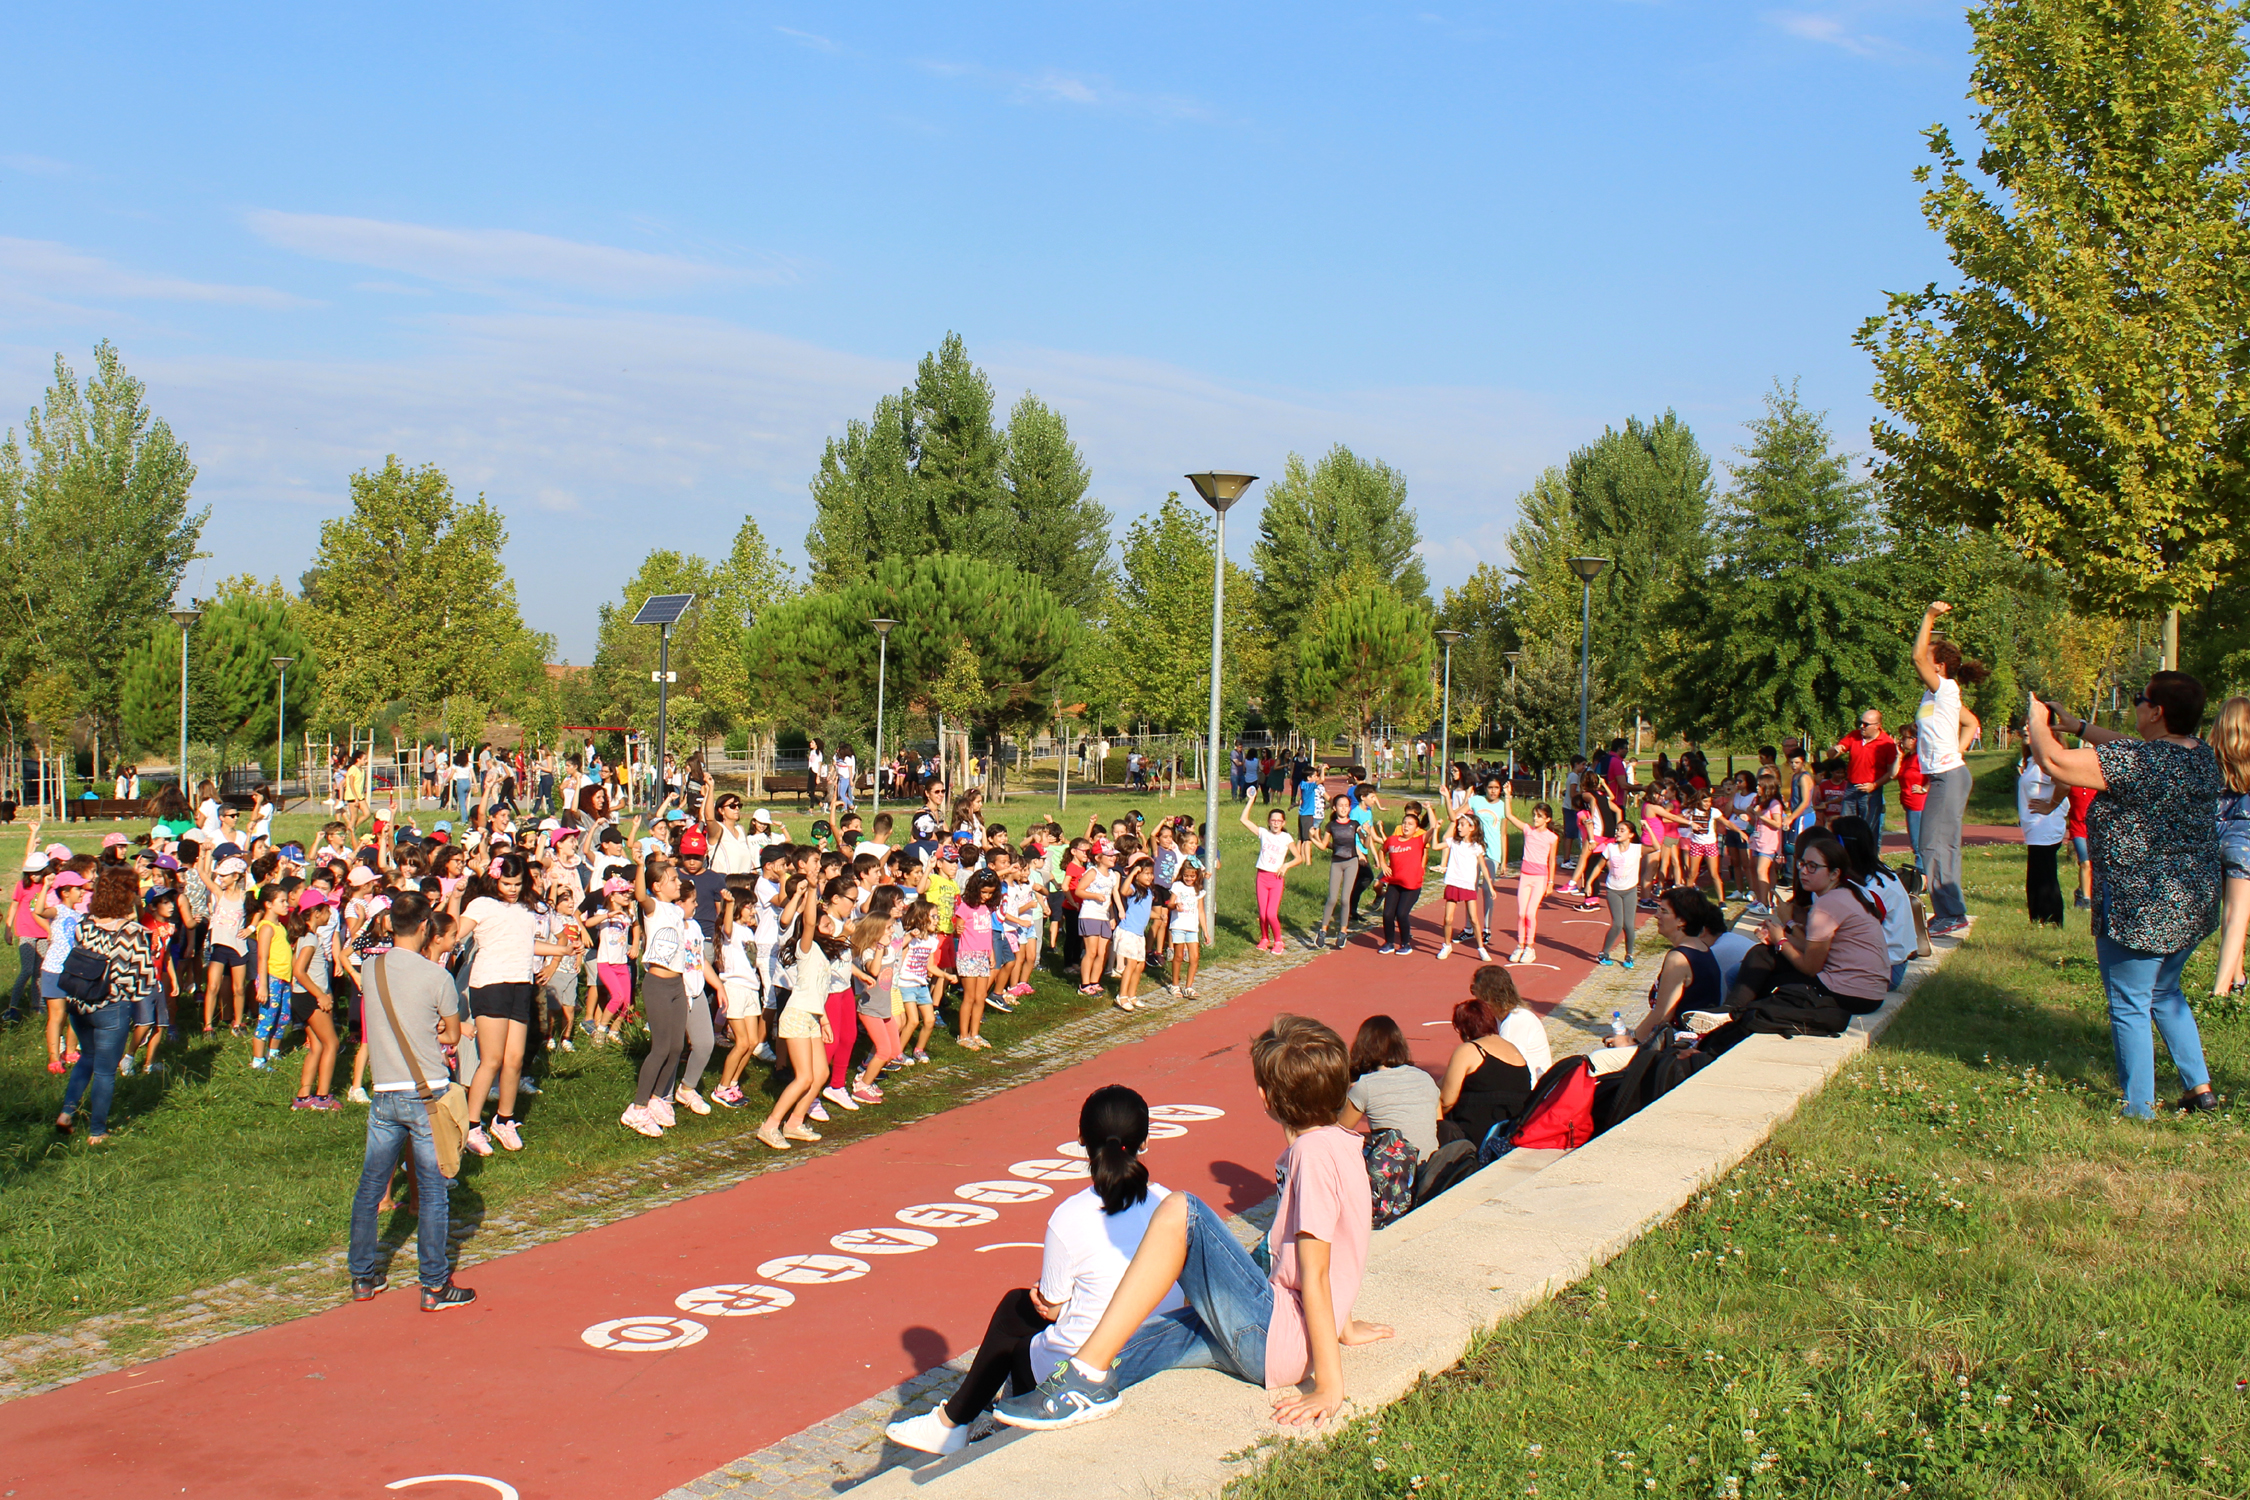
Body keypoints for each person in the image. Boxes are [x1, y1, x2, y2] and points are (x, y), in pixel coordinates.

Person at [995, 1015, 1392, 1431]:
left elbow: (1317, 1271)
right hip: (1285, 1337)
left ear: (1266, 1098)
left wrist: (1330, 1385)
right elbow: (1343, 1243)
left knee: (1183, 1211)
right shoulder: (1344, 1144)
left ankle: (1081, 1382)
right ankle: (1056, 1392)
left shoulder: (1310, 1155)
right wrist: (1344, 1324)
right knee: (1138, 1344)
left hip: (1276, 1337)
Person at [885, 1086, 1189, 1455]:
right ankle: (958, 1422)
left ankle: (955, 1422)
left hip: (1084, 1370)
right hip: (1158, 1349)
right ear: (1145, 1142)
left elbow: (1053, 1307)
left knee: (1017, 1311)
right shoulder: (1172, 1205)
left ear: (1080, 1139)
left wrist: (1052, 1302)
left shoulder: (1070, 1216)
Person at [2025, 680, 2222, 1118]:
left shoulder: (2142, 763)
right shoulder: (2199, 755)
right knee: (2166, 992)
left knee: (2130, 1003)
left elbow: (2054, 762)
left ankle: (2139, 1108)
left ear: (2157, 712)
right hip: (2192, 904)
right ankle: (2199, 1089)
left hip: (2141, 905)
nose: (2137, 708)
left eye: (2141, 701)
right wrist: (2077, 725)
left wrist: (2038, 723)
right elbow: (2130, 748)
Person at [346, 891, 475, 1311]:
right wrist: (434, 1031)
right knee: (434, 1191)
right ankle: (434, 1284)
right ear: (425, 928)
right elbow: (453, 1036)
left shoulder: (371, 967)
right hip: (427, 1092)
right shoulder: (436, 976)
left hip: (384, 1091)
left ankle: (363, 1276)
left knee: (369, 1187)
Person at [54, 868, 160, 1145]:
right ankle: (97, 1130)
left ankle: (67, 1113)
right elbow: (143, 981)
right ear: (126, 895)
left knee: (87, 1057)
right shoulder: (134, 932)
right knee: (104, 1070)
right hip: (111, 1006)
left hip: (78, 1004)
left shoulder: (84, 924)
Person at [1911, 602, 1987, 935]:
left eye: (1929, 659)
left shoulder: (1945, 689)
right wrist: (1954, 753)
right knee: (1945, 845)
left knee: (1930, 844)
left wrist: (1929, 617)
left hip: (1949, 776)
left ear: (1938, 667)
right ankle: (1952, 911)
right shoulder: (1937, 696)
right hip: (1948, 775)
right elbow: (1972, 723)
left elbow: (1916, 658)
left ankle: (1950, 913)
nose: (1921, 662)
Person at [1629, 888, 1726, 1044]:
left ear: (1682, 920)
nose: (1656, 915)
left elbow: (1663, 1014)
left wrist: (1632, 1040)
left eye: (1664, 911)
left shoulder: (1679, 958)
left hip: (1681, 1042)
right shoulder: (1701, 948)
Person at [1339, 1014, 1441, 1161]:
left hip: (1396, 1172)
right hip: (1431, 1166)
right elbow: (1437, 1122)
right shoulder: (1426, 1078)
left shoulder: (1366, 1085)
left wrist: (1349, 1093)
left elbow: (1341, 1129)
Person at [1436, 994, 1532, 1149]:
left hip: (1476, 1133)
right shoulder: (1512, 1049)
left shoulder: (1469, 1050)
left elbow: (1446, 1100)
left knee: (1434, 1107)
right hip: (1511, 1129)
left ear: (1464, 1030)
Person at [1241, 803, 1306, 954]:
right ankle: (1265, 938)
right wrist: (1251, 800)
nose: (1276, 823)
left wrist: (1286, 866)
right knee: (1262, 914)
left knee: (1271, 913)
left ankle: (1278, 941)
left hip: (1276, 879)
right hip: (1262, 877)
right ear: (1269, 821)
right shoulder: (1263, 833)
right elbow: (1244, 819)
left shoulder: (1286, 837)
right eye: (1273, 820)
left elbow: (1299, 858)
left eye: (1279, 821)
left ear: (1283, 823)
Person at [2016, 744, 2068, 928]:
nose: (2025, 729)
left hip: (2045, 826)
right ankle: (2038, 918)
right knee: (2036, 875)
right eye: (2024, 726)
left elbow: (2064, 784)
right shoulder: (2031, 761)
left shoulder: (2046, 761)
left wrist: (2050, 806)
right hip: (2034, 829)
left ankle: (2052, 919)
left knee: (2045, 875)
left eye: (2030, 726)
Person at [1502, 802, 1558, 966]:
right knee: (1521, 913)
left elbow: (1552, 861)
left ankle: (1530, 947)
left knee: (1530, 914)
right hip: (1525, 876)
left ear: (1547, 819)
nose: (1535, 818)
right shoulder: (1528, 831)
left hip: (1540, 878)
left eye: (1539, 816)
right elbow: (1510, 816)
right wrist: (1508, 796)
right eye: (1534, 815)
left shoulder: (1552, 838)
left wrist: (1550, 882)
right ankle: (1520, 945)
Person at [1433, 811, 1492, 962]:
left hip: (1468, 885)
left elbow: (1483, 867)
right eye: (1459, 824)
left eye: (1462, 824)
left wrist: (1490, 887)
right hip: (1453, 882)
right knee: (1448, 919)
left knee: (1474, 919)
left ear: (1472, 828)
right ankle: (1446, 945)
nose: (1459, 827)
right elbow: (1435, 846)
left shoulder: (1476, 847)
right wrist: (1436, 830)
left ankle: (1481, 948)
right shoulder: (1453, 842)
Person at [1375, 810, 1428, 957]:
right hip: (1395, 883)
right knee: (1387, 914)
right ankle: (1389, 943)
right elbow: (1381, 850)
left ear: (1416, 829)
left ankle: (1405, 944)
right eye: (1404, 823)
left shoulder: (1418, 841)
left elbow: (1433, 829)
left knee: (1402, 914)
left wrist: (1430, 810)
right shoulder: (1392, 840)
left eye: (1410, 824)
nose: (1406, 826)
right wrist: (1383, 865)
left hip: (1412, 885)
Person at [1595, 817, 1644, 968]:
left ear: (1631, 834)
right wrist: (1590, 883)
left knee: (1629, 925)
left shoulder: (1637, 849)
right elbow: (1598, 866)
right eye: (1617, 830)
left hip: (1630, 890)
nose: (1617, 832)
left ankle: (1629, 955)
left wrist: (1647, 828)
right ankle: (1604, 953)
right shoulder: (1610, 848)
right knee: (1617, 924)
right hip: (1613, 890)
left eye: (1622, 830)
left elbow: (1656, 846)